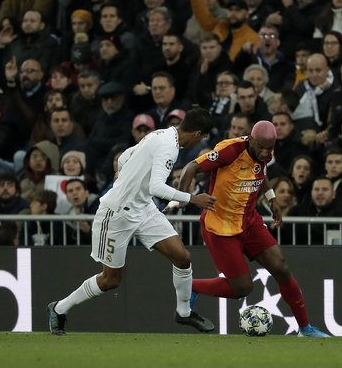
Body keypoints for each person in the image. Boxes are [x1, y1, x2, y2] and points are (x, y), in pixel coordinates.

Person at [48, 108, 217, 335]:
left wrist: (123, 173)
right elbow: (156, 187)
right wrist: (193, 198)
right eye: (202, 138)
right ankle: (59, 308)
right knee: (110, 280)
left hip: (143, 208)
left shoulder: (161, 134)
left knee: (182, 257)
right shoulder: (168, 146)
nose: (200, 142)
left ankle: (184, 312)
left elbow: (125, 156)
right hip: (116, 213)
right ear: (197, 134)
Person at [178, 120, 330, 337]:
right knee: (242, 288)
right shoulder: (229, 150)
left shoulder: (265, 150)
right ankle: (192, 286)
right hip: (221, 227)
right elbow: (190, 167)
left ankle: (305, 329)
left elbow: (260, 170)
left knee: (281, 268)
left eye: (269, 149)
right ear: (250, 139)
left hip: (249, 221)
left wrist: (271, 198)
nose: (265, 153)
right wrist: (185, 198)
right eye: (261, 147)